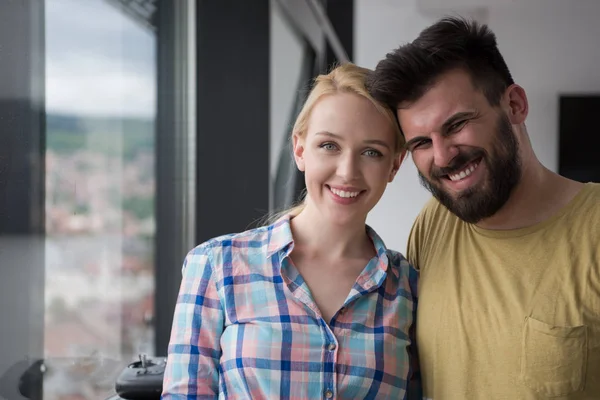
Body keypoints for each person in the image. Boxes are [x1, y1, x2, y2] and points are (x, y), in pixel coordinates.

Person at [367, 16, 600, 399]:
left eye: (457, 124)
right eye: (421, 142)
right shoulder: (434, 222)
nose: (443, 157)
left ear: (514, 104)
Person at [161, 63, 420, 399]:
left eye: (371, 152)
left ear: (394, 166)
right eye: (329, 145)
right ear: (300, 150)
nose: (347, 171)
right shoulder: (215, 266)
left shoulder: (407, 288)